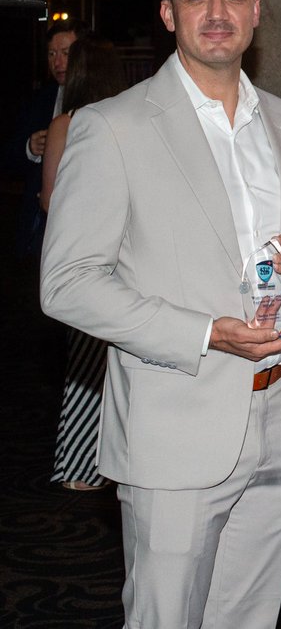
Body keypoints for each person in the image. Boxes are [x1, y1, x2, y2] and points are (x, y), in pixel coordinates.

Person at [40, 0, 281, 628]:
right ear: (168, 14)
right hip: (175, 423)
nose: (217, 12)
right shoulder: (112, 127)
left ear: (257, 10)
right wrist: (204, 334)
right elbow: (67, 283)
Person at [39, 35, 127, 491]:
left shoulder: (67, 123)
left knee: (87, 366)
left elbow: (52, 199)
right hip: (127, 259)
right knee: (124, 361)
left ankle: (79, 469)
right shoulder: (131, 119)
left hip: (84, 261)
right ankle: (119, 460)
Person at [9, 19, 84, 256]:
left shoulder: (98, 100)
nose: (58, 62)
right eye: (52, 54)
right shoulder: (41, 99)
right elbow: (8, 158)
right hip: (40, 226)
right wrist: (30, 148)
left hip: (81, 225)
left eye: (65, 53)